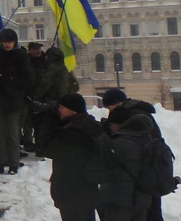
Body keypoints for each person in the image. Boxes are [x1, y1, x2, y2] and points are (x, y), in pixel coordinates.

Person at [101, 89, 164, 221]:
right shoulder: (139, 111)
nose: (109, 110)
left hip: (141, 172)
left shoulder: (132, 114)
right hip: (150, 171)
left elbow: (128, 140)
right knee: (152, 209)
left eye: (110, 106)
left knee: (149, 210)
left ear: (117, 102)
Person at [39, 93, 104, 221]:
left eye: (62, 107)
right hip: (84, 191)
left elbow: (48, 148)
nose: (59, 110)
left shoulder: (74, 133)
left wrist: (49, 120)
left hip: (72, 192)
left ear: (72, 109)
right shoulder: (87, 125)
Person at [0, 28, 32, 175]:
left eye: (9, 42)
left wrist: (11, 79)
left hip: (13, 98)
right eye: (4, 41)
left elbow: (28, 78)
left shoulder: (21, 56)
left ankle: (13, 163)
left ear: (14, 42)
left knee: (12, 133)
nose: (7, 45)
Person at [100, 109, 154, 221]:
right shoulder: (147, 141)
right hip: (142, 201)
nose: (110, 127)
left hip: (118, 202)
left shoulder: (117, 143)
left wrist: (103, 135)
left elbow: (100, 166)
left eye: (112, 124)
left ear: (120, 125)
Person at [22, 42, 47, 151]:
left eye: (39, 49)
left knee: (39, 121)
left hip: (41, 95)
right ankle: (28, 142)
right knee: (27, 121)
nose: (38, 51)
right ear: (30, 50)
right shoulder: (26, 61)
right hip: (28, 94)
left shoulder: (45, 61)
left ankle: (39, 142)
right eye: (35, 49)